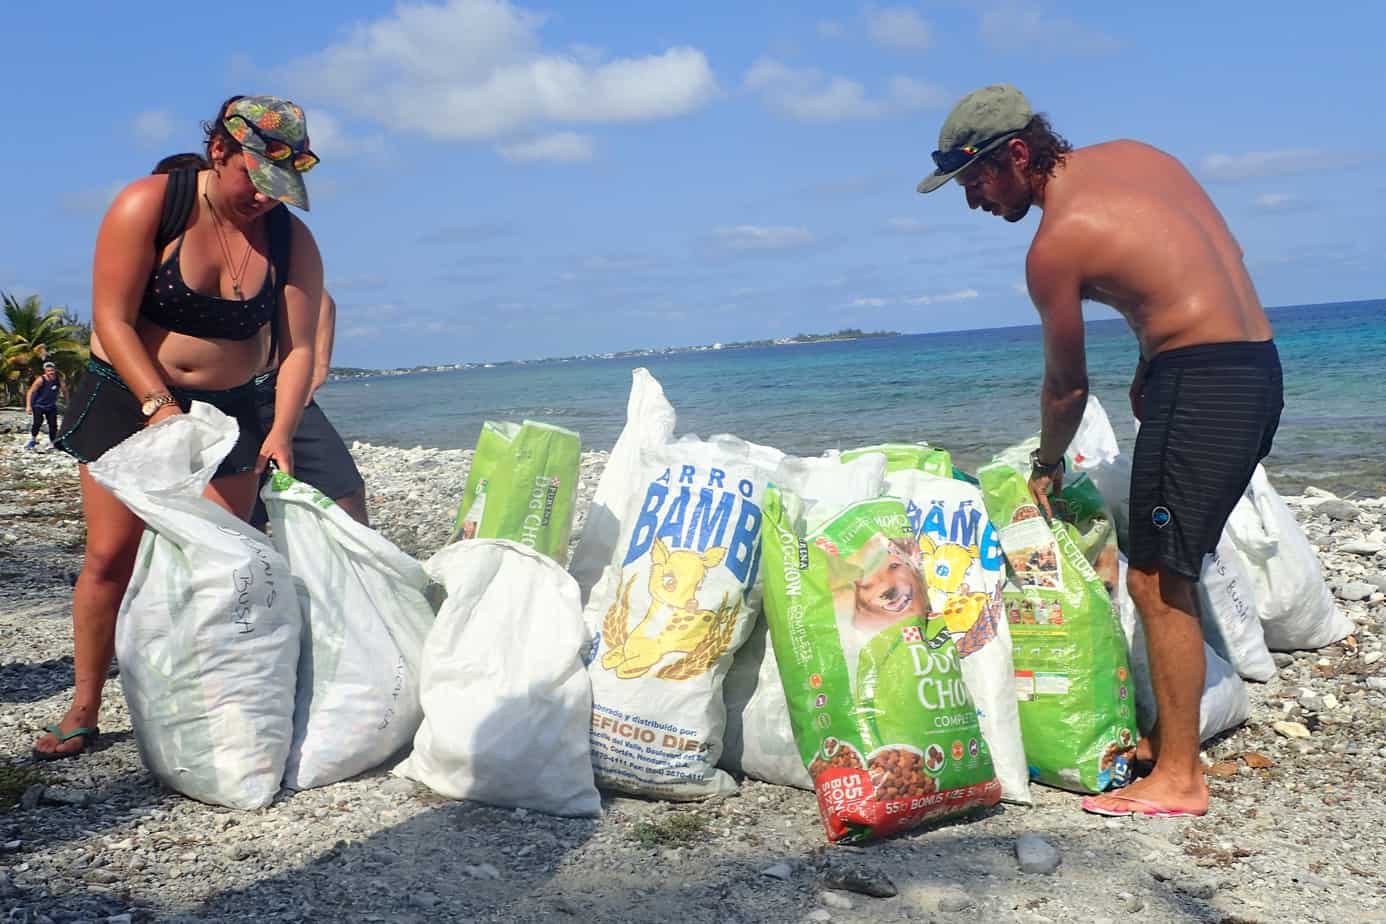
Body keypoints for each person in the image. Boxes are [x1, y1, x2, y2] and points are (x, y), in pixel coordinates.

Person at [917, 84, 1282, 818]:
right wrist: (1155, 354)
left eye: (976, 180)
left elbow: (1066, 388)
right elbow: (1218, 256)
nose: (974, 203)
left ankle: (1179, 777)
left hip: (1202, 384)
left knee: (1154, 575)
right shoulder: (1141, 156)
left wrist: (1046, 465)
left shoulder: (1056, 244)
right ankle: (1166, 738)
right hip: (1256, 365)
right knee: (1172, 558)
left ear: (1017, 154)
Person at [34, 96, 324, 760]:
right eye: (255, 179)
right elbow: (109, 318)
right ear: (220, 151)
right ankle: (85, 703)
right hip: (128, 399)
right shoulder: (150, 204)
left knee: (225, 567)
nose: (264, 199)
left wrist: (281, 428)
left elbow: (299, 347)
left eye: (280, 190)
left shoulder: (287, 237)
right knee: (112, 557)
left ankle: (210, 702)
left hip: (232, 414)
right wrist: (156, 404)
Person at [149, 154, 368, 529]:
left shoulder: (259, 239)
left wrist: (317, 368)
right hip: (190, 399)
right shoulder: (157, 238)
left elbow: (323, 304)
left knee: (343, 492)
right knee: (227, 514)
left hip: (270, 389)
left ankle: (364, 575)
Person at [25, 361, 67, 450]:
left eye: (52, 370)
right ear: (45, 371)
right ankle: (32, 439)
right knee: (37, 423)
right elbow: (30, 392)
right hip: (38, 405)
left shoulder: (58, 379)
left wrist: (68, 402)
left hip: (51, 406)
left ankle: (53, 442)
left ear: (55, 370)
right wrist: (28, 406)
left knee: (53, 425)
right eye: (48, 371)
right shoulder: (40, 380)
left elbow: (65, 391)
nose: (51, 372)